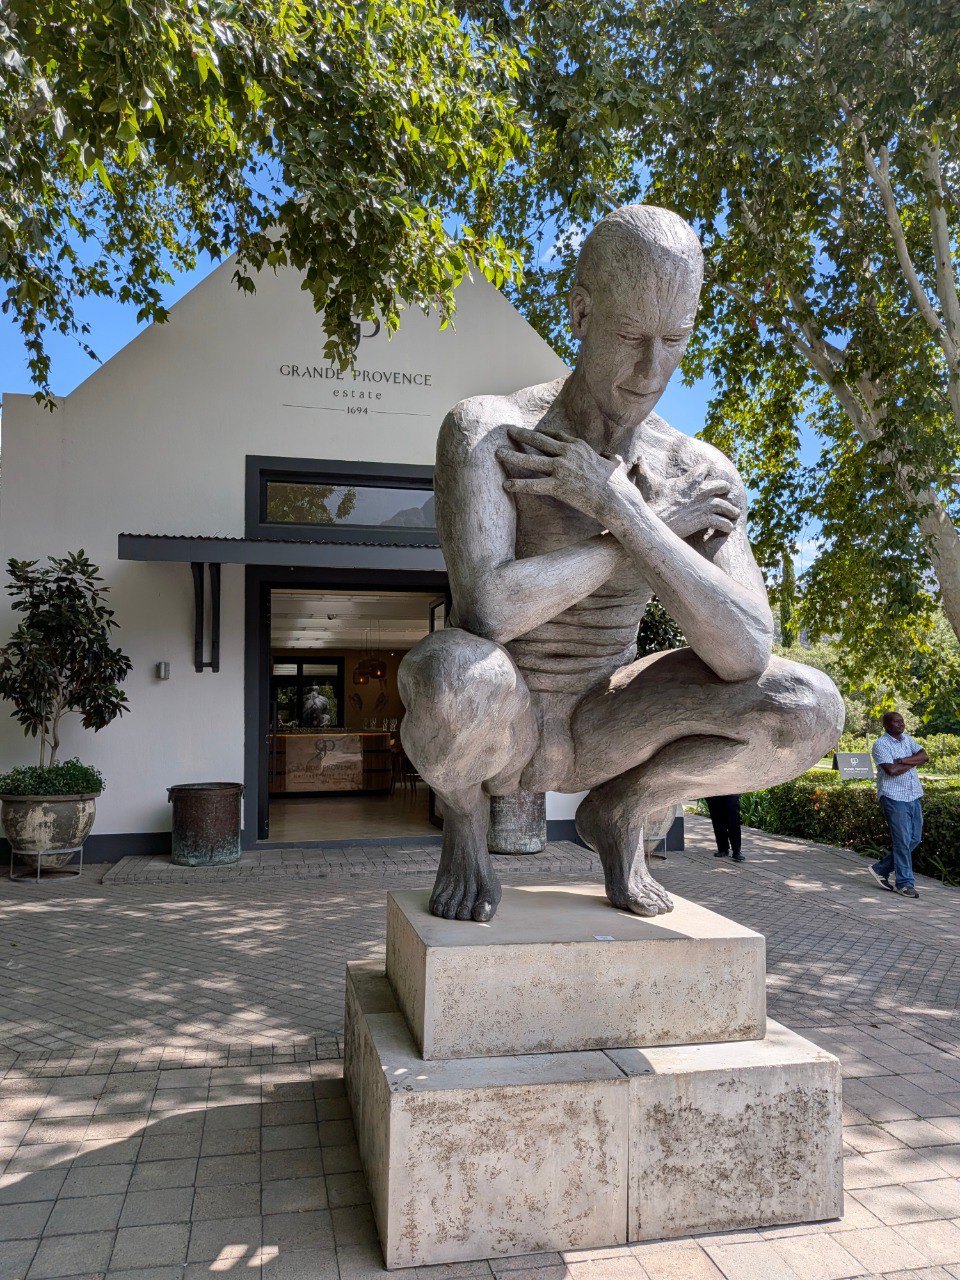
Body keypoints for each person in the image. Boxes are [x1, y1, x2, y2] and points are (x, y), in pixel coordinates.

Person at [398, 204, 844, 923]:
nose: (651, 368)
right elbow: (490, 609)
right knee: (452, 671)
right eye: (631, 336)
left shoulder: (696, 470)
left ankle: (625, 812)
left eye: (675, 340)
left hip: (608, 720)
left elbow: (746, 650)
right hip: (502, 713)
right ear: (579, 313)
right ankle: (466, 824)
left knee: (808, 708)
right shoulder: (487, 431)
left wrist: (625, 510)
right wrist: (632, 534)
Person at [868, 711, 928, 899]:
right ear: (886, 725)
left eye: (902, 721)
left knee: (914, 838)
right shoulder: (881, 745)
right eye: (896, 721)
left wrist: (903, 760)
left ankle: (881, 868)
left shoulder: (907, 739)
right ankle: (904, 883)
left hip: (913, 795)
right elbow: (891, 770)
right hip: (893, 797)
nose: (901, 724)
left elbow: (924, 756)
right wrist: (914, 761)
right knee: (902, 841)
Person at [705, 794, 743, 862]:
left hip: (731, 791)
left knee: (734, 820)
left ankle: (736, 851)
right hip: (713, 792)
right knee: (718, 821)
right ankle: (723, 849)